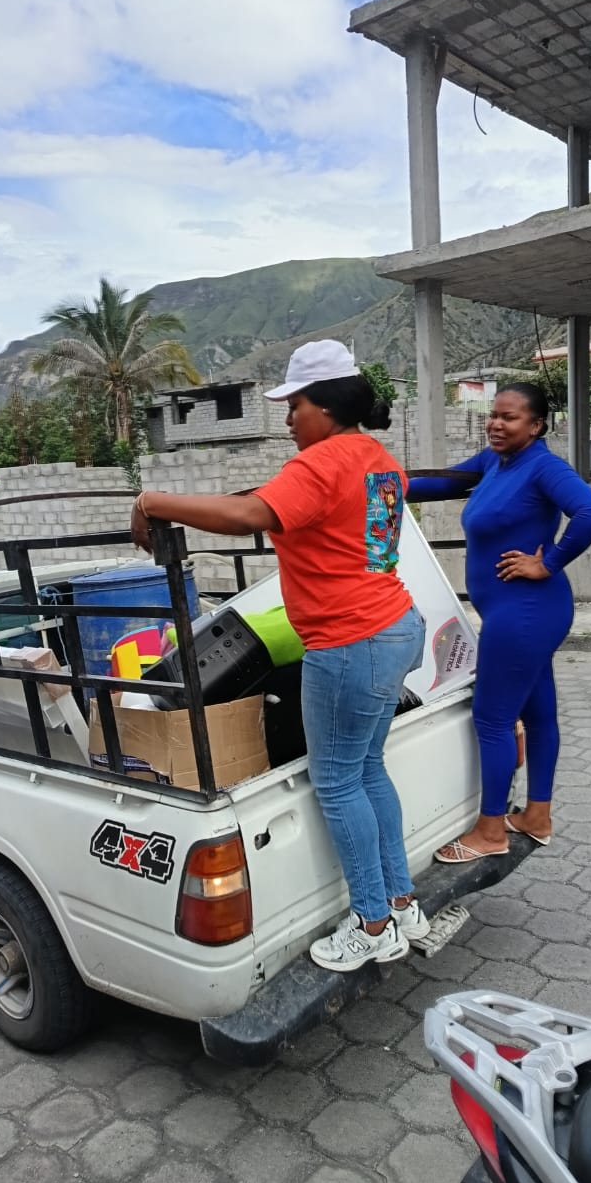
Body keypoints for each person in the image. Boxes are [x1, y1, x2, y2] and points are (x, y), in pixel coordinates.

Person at [130, 339, 427, 972]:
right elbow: (350, 535)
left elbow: (248, 516)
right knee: (368, 770)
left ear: (326, 406)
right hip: (396, 625)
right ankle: (402, 903)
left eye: (295, 405)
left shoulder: (320, 462)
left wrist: (153, 501)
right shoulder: (378, 459)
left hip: (349, 643)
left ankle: (372, 924)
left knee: (337, 781)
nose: (289, 418)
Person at [407, 382, 591, 862]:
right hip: (519, 612)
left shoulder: (544, 467)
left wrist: (548, 562)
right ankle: (537, 817)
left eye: (509, 418)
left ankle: (490, 832)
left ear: (536, 426)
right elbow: (443, 483)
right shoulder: (494, 462)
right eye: (493, 415)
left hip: (525, 612)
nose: (495, 424)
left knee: (493, 718)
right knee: (538, 715)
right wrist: (378, 481)